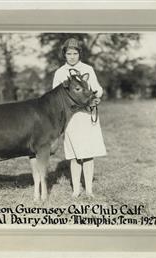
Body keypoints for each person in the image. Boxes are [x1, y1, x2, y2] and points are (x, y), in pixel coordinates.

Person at [52, 38, 107, 198]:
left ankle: (89, 190)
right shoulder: (60, 72)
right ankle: (76, 189)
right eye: (68, 53)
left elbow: (97, 89)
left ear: (79, 54)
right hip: (72, 118)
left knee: (88, 153)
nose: (72, 57)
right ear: (64, 54)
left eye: (75, 53)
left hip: (87, 116)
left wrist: (97, 98)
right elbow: (55, 97)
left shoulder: (88, 69)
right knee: (74, 154)